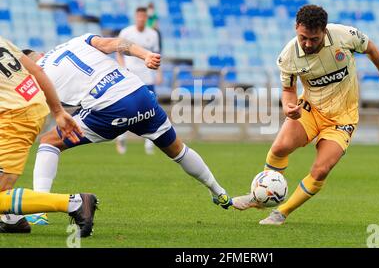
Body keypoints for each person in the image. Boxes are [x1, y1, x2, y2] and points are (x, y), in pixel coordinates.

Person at [24, 33, 232, 225]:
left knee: (48, 142)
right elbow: (117, 43)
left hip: (109, 107)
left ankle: (39, 208)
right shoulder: (78, 40)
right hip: (138, 93)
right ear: (40, 53)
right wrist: (146, 55)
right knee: (178, 150)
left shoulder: (35, 75)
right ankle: (218, 191)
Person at [232, 5, 379, 225]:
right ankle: (260, 196)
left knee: (321, 169)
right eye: (303, 37)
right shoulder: (288, 56)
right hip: (311, 110)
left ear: (324, 31)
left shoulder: (345, 35)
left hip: (343, 118)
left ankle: (281, 213)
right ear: (296, 28)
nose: (308, 44)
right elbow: (288, 90)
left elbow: (370, 48)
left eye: (314, 39)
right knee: (279, 148)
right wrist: (289, 108)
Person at [0, 36, 98, 236]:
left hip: (15, 116)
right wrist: (58, 111)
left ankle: (75, 203)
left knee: (1, 190)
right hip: (28, 106)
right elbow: (36, 70)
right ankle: (10, 219)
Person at [116, 7, 162, 155]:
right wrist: (122, 68)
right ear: (136, 17)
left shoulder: (153, 34)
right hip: (130, 76)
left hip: (148, 77)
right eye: (139, 16)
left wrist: (158, 73)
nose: (141, 19)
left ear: (146, 18)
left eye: (144, 16)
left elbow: (156, 55)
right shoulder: (126, 33)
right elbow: (119, 52)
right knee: (125, 108)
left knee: (151, 108)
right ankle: (121, 137)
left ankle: (150, 143)